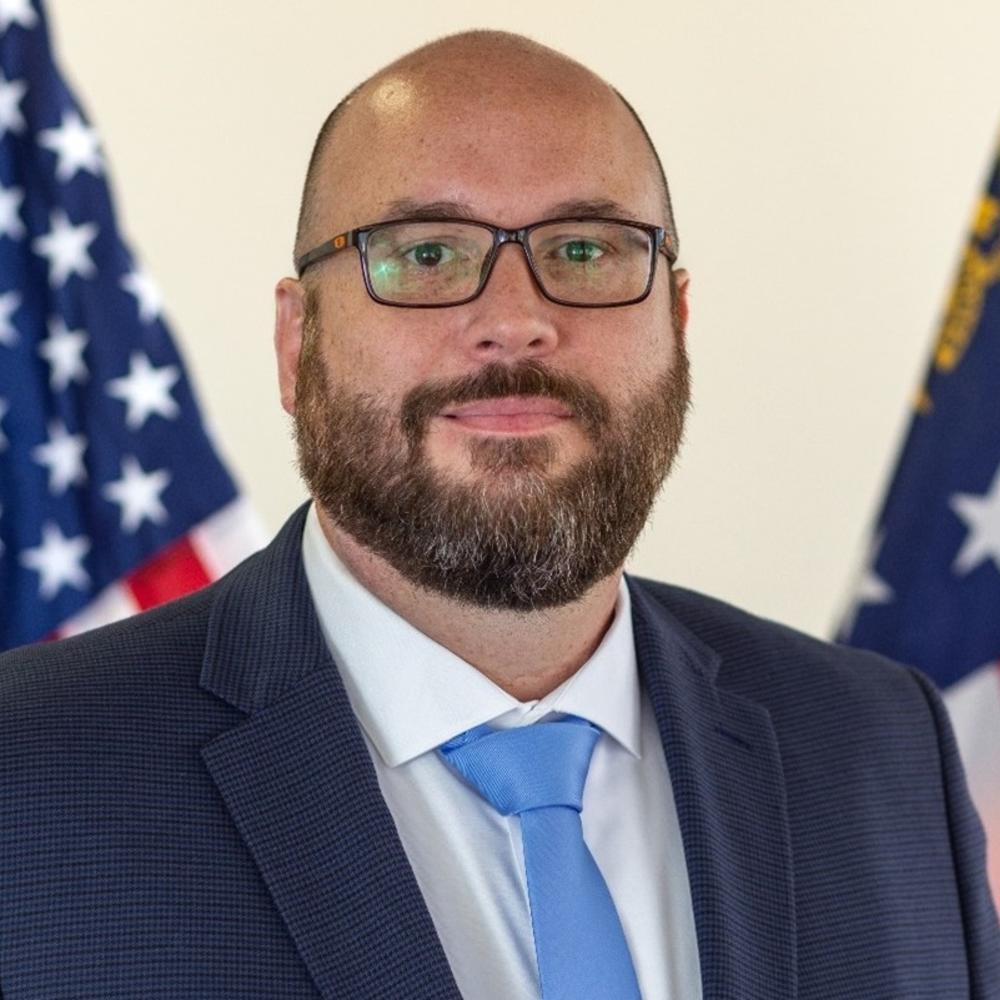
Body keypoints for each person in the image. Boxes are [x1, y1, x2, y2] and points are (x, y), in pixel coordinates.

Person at [1, 29, 998, 1000]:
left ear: (676, 325)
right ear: (296, 344)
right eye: (426, 252)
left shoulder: (880, 746)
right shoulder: (28, 774)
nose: (515, 317)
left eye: (584, 247)